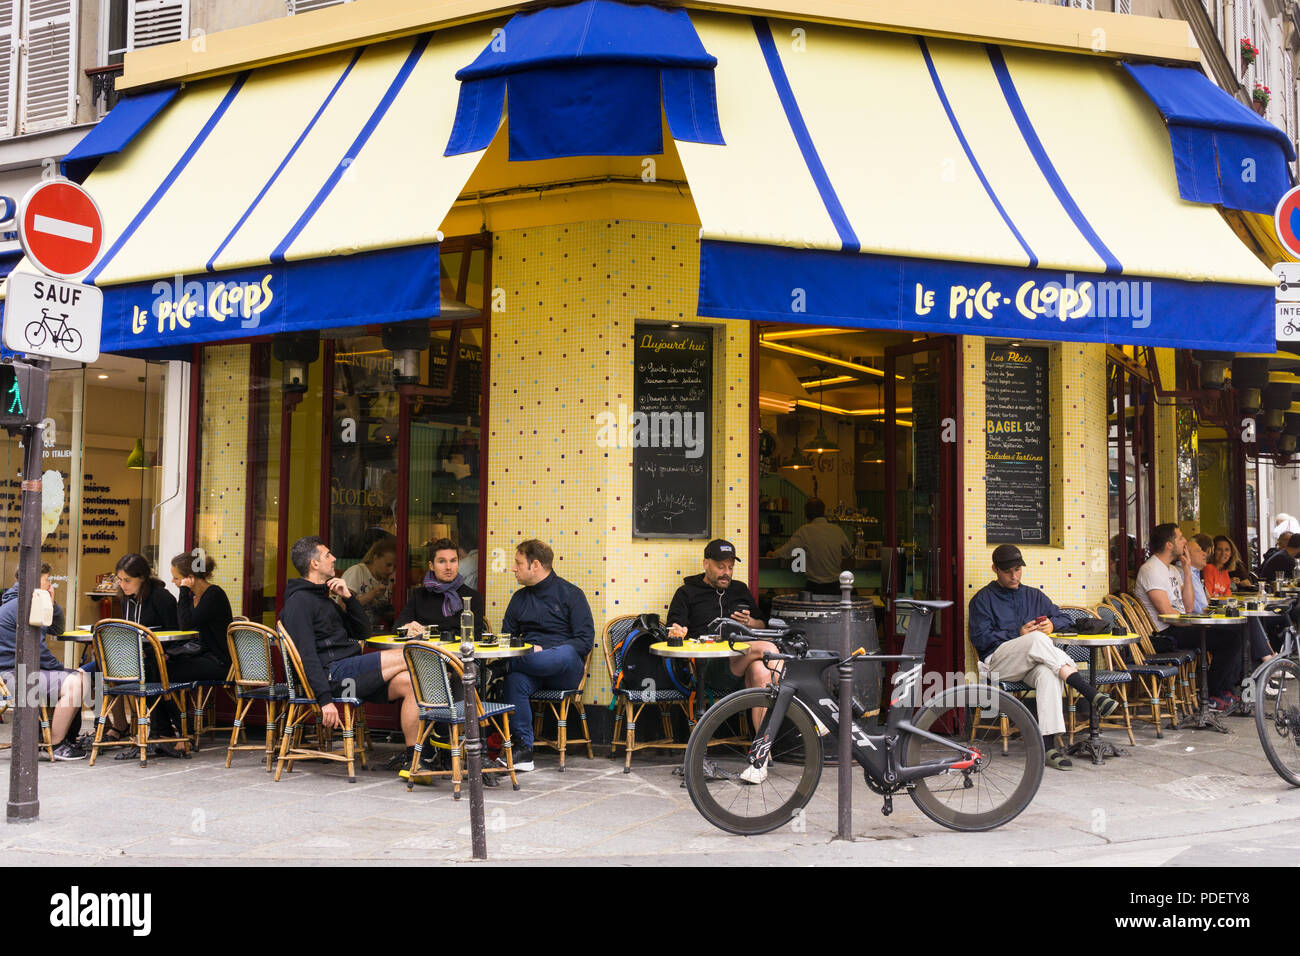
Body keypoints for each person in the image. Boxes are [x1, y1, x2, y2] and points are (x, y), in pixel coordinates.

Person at [967, 544, 1119, 771]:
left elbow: (1065, 618)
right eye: (1008, 571)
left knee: (1048, 673)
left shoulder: (1033, 595)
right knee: (1036, 640)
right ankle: (1089, 691)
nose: (1014, 575)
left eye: (1018, 569)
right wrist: (1017, 634)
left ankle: (1047, 748)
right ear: (995, 569)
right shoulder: (982, 599)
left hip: (1031, 663)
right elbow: (981, 639)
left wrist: (1052, 623)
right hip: (998, 663)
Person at [280, 536, 421, 775]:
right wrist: (325, 701)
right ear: (314, 564)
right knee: (411, 654)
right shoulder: (299, 603)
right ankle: (458, 700)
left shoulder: (323, 598)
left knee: (410, 683)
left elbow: (363, 632)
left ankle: (414, 760)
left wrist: (348, 597)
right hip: (336, 677)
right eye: (327, 555)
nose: (334, 558)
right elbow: (307, 656)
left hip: (351, 675)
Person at [666, 539, 776, 781]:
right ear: (706, 564)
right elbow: (672, 629)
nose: (726, 573)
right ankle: (798, 704)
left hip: (741, 665)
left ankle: (760, 758)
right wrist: (677, 632)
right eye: (720, 567)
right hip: (708, 667)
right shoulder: (687, 592)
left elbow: (761, 624)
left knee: (762, 673)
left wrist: (750, 623)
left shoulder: (739, 590)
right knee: (768, 649)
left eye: (730, 567)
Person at [499, 539, 594, 772]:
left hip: (563, 669)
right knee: (515, 681)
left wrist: (546, 651)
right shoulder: (519, 599)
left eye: (518, 563)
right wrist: (530, 651)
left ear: (536, 565)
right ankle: (524, 751)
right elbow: (506, 640)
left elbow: (584, 641)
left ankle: (503, 668)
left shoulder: (571, 594)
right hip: (531, 670)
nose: (513, 568)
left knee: (565, 653)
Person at [1136, 523, 1244, 711]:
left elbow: (1188, 606)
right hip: (1164, 634)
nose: (1185, 541)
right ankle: (1210, 694)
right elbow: (1167, 614)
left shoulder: (1172, 570)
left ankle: (1222, 689)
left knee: (1234, 632)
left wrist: (1186, 570)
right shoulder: (1151, 569)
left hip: (1179, 627)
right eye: (1180, 538)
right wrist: (1196, 622)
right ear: (1169, 544)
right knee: (1229, 639)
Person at [0, 564, 87, 760]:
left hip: (17, 670)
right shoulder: (24, 606)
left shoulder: (25, 601)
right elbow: (37, 650)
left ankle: (63, 738)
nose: (50, 583)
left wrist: (53, 605)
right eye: (47, 580)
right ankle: (56, 744)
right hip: (12, 674)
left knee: (80, 677)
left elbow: (57, 629)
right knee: (75, 682)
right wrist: (61, 670)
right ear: (34, 581)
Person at [395, 538, 486, 638]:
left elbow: (475, 638)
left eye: (453, 561)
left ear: (458, 563)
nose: (448, 567)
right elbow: (397, 628)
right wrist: (408, 627)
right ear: (431, 566)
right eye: (442, 561)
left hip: (457, 653)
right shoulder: (419, 595)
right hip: (423, 652)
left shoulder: (473, 597)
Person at [169, 552, 234, 681]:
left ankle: (168, 701)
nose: (172, 581)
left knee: (168, 670)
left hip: (221, 661)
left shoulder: (214, 595)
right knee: (161, 664)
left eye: (176, 578)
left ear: (190, 578)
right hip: (203, 655)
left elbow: (185, 625)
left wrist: (183, 590)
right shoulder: (192, 596)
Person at [767, 498, 853, 595]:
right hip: (837, 588)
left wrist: (772, 554)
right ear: (823, 511)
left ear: (806, 513)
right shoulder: (837, 530)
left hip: (815, 588)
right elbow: (849, 553)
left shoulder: (805, 531)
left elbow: (785, 552)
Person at [341, 537, 397, 634]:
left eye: (395, 566)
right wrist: (372, 594)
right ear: (375, 558)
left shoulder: (388, 581)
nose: (391, 570)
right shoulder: (357, 572)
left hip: (372, 631)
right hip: (349, 632)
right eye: (388, 565)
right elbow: (343, 606)